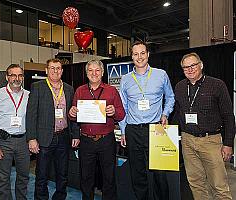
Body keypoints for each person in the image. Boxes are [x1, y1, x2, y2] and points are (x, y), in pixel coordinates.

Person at [119, 41, 175, 200]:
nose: (139, 57)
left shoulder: (161, 74)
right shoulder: (126, 79)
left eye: (142, 53)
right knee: (137, 173)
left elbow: (170, 97)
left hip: (156, 129)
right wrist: (123, 131)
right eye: (135, 54)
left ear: (148, 54)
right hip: (133, 130)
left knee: (160, 173)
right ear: (132, 57)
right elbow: (123, 106)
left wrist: (165, 114)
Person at [174, 52, 235, 200]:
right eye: (185, 67)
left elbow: (229, 116)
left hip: (211, 141)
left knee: (219, 186)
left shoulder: (217, 85)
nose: (190, 69)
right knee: (196, 184)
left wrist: (228, 144)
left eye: (193, 65)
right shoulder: (180, 87)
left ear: (201, 65)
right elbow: (178, 112)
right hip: (187, 141)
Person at [69, 60, 125, 200]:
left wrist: (114, 111)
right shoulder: (80, 90)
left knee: (109, 177)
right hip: (86, 141)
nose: (94, 73)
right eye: (91, 70)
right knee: (86, 177)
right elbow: (73, 117)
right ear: (86, 73)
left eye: (97, 70)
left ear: (102, 72)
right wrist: (71, 113)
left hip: (106, 140)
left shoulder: (111, 90)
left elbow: (121, 114)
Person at [26, 58, 80, 200]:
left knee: (62, 174)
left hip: (63, 137)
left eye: (58, 68)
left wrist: (75, 135)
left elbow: (73, 114)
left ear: (62, 71)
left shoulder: (69, 89)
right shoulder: (37, 87)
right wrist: (31, 139)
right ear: (46, 70)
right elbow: (31, 115)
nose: (55, 71)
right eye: (52, 68)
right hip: (44, 138)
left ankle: (60, 197)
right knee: (42, 174)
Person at [0, 64, 30, 199]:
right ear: (7, 77)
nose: (17, 78)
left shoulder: (29, 95)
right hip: (4, 141)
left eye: (20, 75)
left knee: (23, 176)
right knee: (3, 178)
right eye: (13, 75)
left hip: (23, 141)